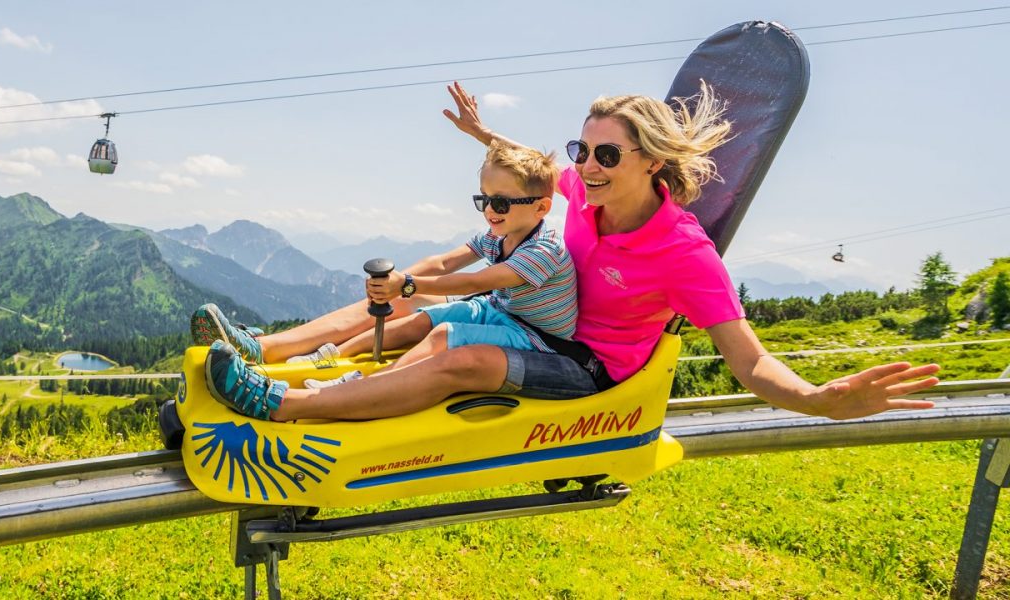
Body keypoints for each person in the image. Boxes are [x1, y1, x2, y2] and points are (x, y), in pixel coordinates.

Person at [198, 81, 940, 422]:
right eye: (581, 149)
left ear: (652, 161)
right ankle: (261, 344)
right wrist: (483, 136)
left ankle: (286, 406)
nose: (587, 165)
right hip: (533, 322)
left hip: (588, 366)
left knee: (465, 356)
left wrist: (816, 400)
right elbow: (530, 169)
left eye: (606, 154)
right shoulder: (583, 192)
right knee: (415, 303)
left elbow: (748, 361)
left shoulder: (686, 254)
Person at [298, 141, 583, 390]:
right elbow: (444, 262)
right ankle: (332, 356)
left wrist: (407, 285)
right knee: (424, 318)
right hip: (500, 310)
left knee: (444, 334)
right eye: (483, 199)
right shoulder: (499, 235)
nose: (489, 210)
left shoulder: (545, 249)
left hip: (535, 336)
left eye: (500, 203)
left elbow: (476, 282)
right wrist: (394, 281)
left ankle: (367, 385)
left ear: (541, 208)